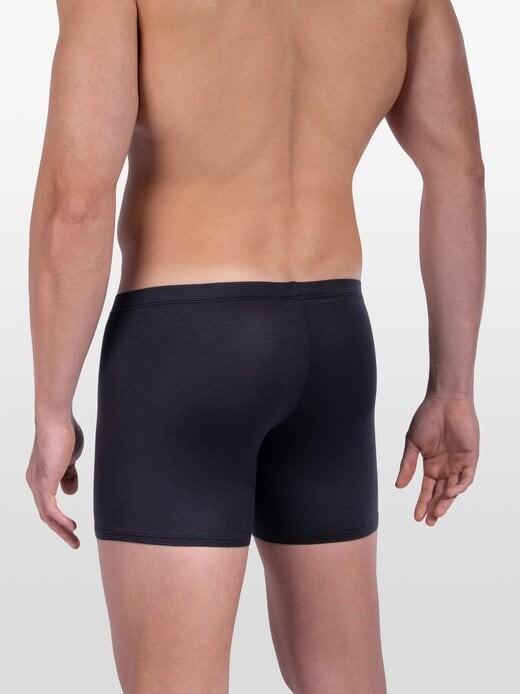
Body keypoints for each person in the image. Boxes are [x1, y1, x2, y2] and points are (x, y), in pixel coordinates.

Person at [26, 1, 486, 692]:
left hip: (184, 349)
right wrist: (453, 389)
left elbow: (77, 200)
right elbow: (459, 171)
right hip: (334, 345)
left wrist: (51, 407)